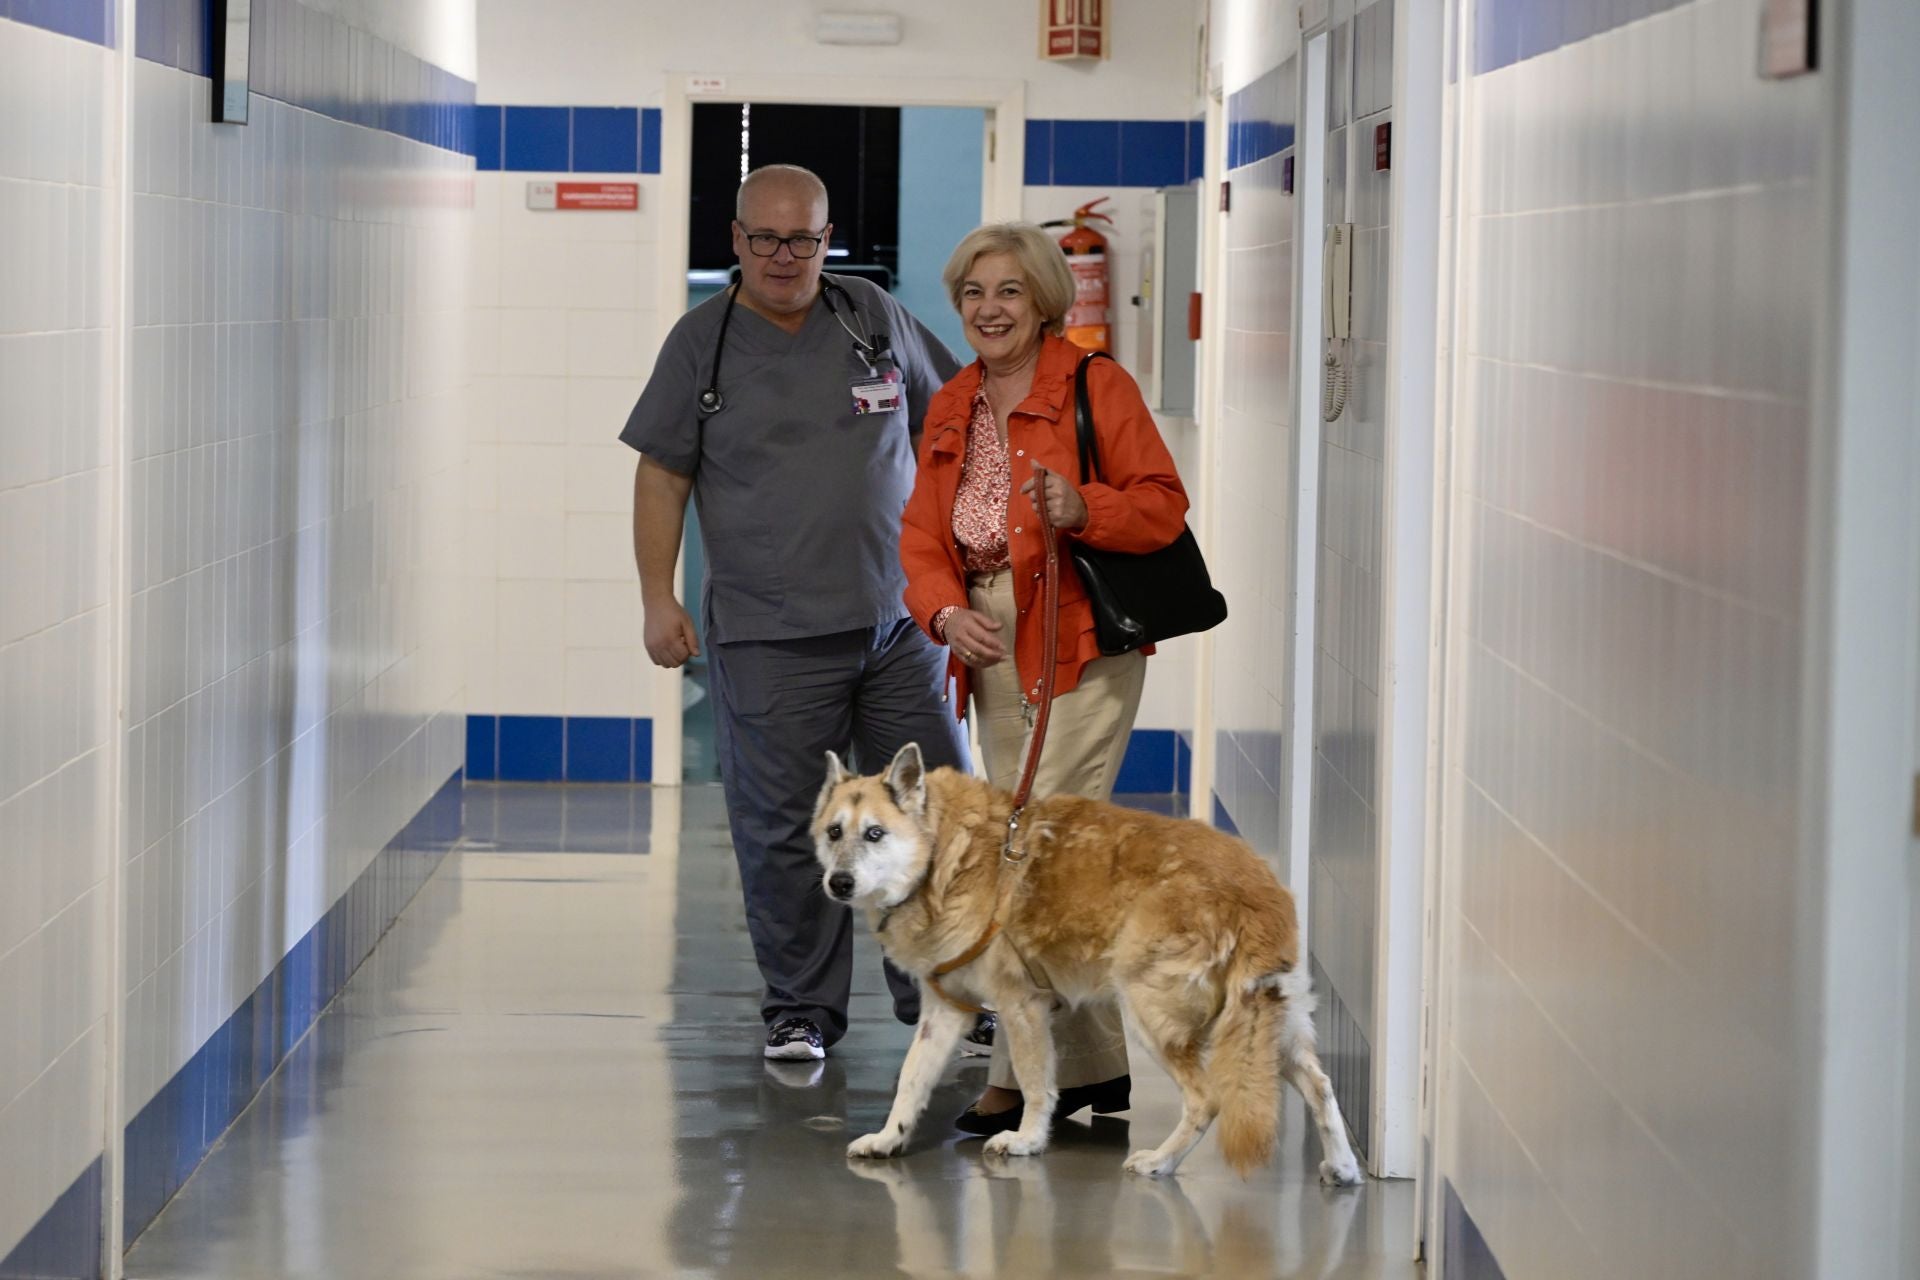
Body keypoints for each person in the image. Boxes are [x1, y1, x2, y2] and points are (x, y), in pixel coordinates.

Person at [621, 164, 975, 1062]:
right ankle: (801, 1010)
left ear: (827, 239)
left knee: (928, 815)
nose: (786, 257)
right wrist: (658, 597)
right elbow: (662, 474)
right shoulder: (701, 344)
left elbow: (957, 419)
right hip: (769, 633)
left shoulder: (870, 316)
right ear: (735, 240)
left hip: (900, 627)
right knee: (785, 830)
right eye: (767, 239)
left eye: (805, 239)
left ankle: (942, 996)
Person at [898, 222, 1192, 1133]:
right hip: (988, 638)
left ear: (1046, 302)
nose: (989, 310)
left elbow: (1161, 506)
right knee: (1050, 857)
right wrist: (945, 611)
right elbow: (920, 534)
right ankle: (1097, 1074)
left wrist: (1084, 505)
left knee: (1030, 854)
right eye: (974, 294)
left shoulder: (1094, 387)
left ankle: (1026, 1081)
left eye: (1009, 292)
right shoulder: (952, 402)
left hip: (1075, 636)